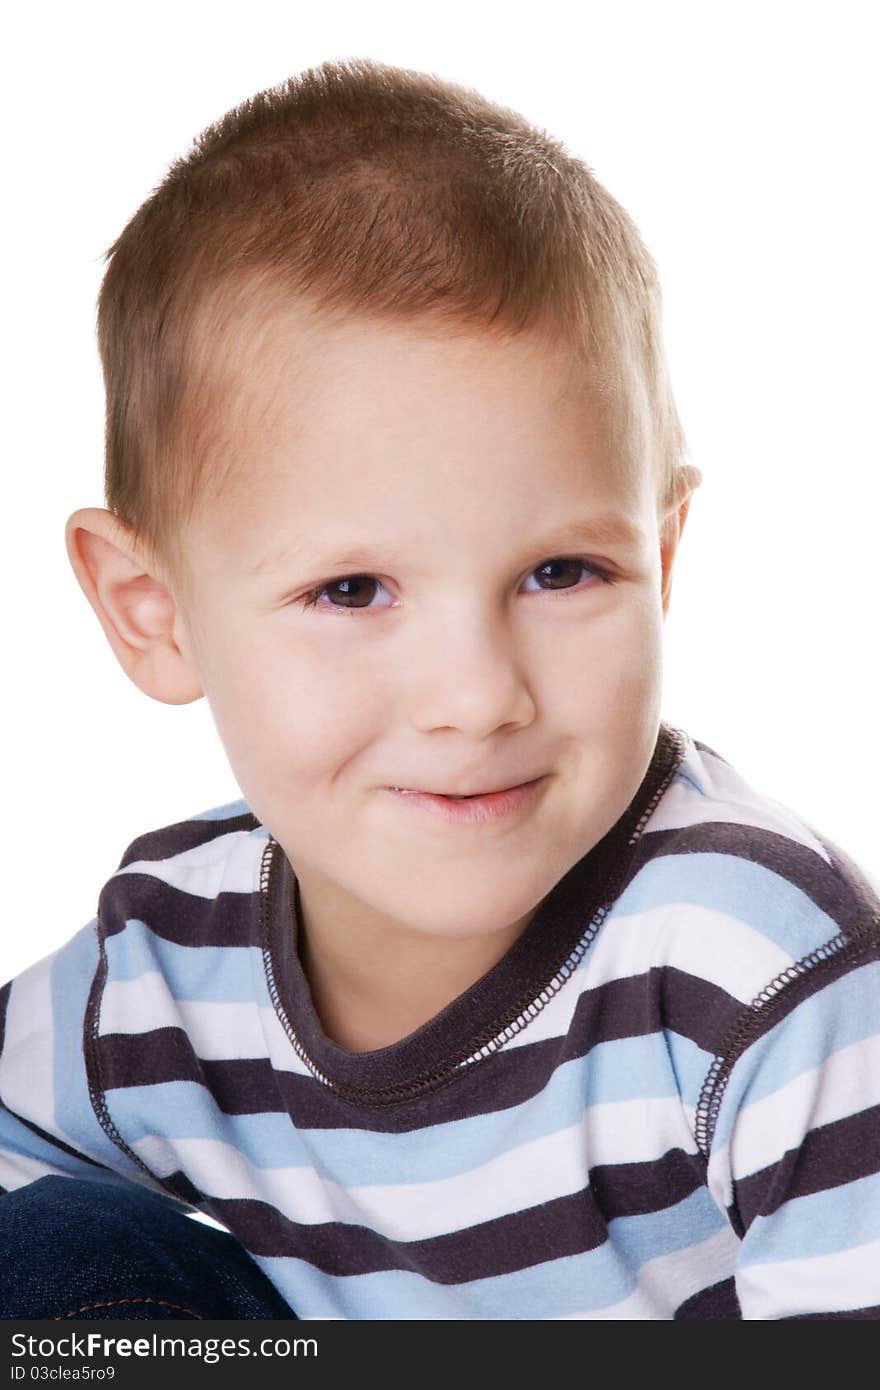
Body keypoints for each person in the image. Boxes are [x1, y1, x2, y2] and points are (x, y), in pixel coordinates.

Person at [1, 56, 878, 1323]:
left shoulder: (757, 961)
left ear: (664, 557)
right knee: (47, 1260)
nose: (476, 698)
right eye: (353, 591)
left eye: (561, 572)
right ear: (154, 614)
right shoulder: (163, 965)